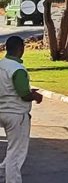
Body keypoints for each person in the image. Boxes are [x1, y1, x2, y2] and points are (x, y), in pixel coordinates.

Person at [0, 35, 42, 183]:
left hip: (2, 111)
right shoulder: (17, 69)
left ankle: (4, 174)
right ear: (21, 49)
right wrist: (35, 96)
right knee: (16, 153)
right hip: (16, 114)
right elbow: (24, 94)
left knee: (12, 150)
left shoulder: (2, 65)